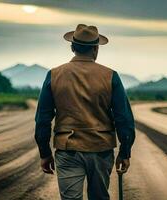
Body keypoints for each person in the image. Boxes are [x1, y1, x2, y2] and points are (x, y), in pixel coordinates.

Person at [34, 24, 135, 200]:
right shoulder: (111, 76)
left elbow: (42, 119)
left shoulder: (54, 75)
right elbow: (123, 119)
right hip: (101, 149)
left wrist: (45, 153)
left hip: (67, 150)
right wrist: (125, 152)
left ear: (73, 47)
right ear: (96, 49)